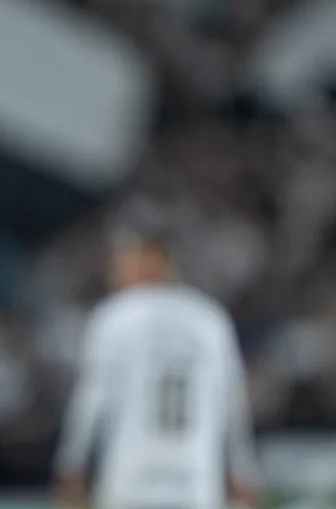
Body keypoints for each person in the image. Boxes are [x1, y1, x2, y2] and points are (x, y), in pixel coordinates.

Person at [53, 201, 260, 509]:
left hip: (131, 479)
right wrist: (243, 468)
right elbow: (232, 401)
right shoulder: (209, 319)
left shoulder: (115, 317)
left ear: (154, 258)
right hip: (194, 481)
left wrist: (71, 462)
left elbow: (91, 397)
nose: (117, 267)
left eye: (126, 256)